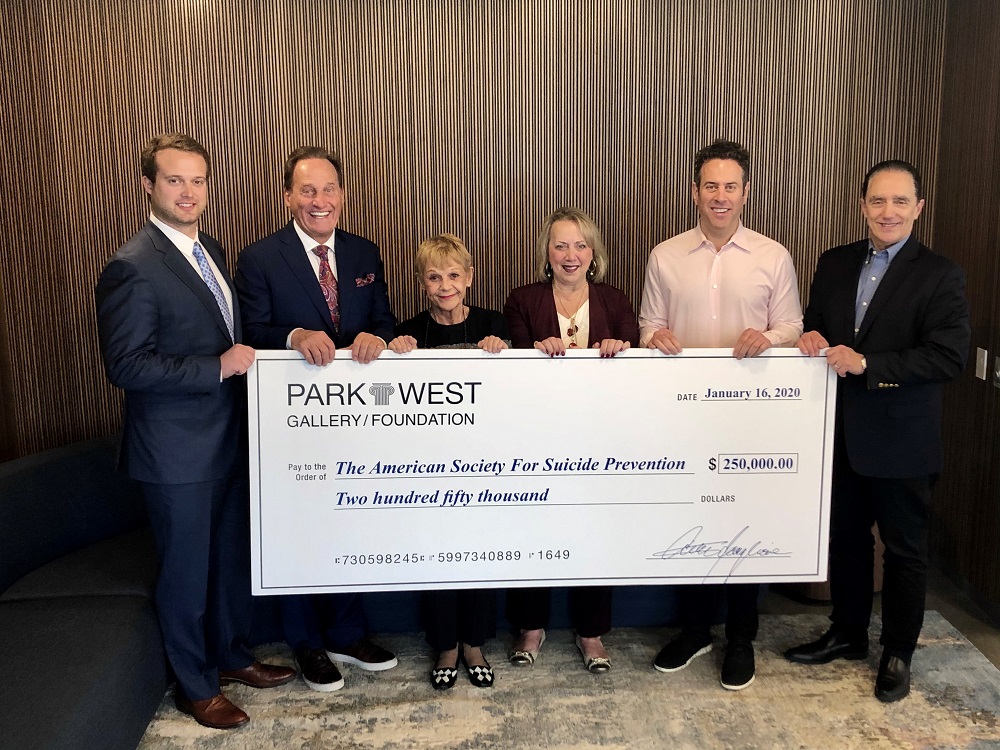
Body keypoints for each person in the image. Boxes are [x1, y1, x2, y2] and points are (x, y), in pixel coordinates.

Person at [94, 134, 296, 730]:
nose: (188, 192)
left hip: (229, 441)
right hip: (175, 454)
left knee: (229, 561)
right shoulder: (131, 266)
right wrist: (217, 366)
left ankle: (230, 657)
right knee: (185, 573)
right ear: (149, 186)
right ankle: (194, 685)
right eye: (175, 180)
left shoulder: (209, 249)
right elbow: (125, 365)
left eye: (198, 180)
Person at [784, 160, 970, 702]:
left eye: (899, 202)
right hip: (838, 433)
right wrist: (811, 336)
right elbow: (816, 321)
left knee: (904, 551)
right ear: (862, 205)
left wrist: (869, 365)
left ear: (918, 208)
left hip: (903, 440)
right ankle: (847, 634)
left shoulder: (940, 274)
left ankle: (898, 652)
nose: (887, 212)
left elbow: (947, 356)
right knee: (845, 542)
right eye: (877, 201)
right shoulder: (835, 262)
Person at [639, 138, 803, 691]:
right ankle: (696, 630)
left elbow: (793, 329)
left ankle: (741, 637)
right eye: (710, 185)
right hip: (682, 418)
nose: (720, 196)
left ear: (746, 192)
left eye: (731, 186)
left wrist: (770, 336)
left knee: (742, 527)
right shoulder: (664, 255)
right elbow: (646, 326)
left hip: (750, 418)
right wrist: (653, 336)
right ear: (694, 192)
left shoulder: (773, 256)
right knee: (692, 523)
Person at [235, 146, 398, 692]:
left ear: (343, 196)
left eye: (328, 190)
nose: (319, 200)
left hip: (356, 422)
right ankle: (306, 643)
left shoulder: (364, 251)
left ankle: (346, 634)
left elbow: (382, 318)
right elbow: (249, 332)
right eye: (307, 190)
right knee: (301, 528)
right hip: (292, 427)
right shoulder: (260, 258)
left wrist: (379, 334)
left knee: (349, 521)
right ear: (288, 197)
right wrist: (294, 336)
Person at [502, 206, 639, 673]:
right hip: (535, 439)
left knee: (594, 531)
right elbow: (514, 370)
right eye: (560, 244)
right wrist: (534, 352)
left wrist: (622, 350)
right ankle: (530, 628)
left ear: (593, 252)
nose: (571, 254)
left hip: (600, 441)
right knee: (533, 531)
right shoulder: (521, 301)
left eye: (580, 244)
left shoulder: (617, 302)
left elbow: (636, 372)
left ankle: (591, 633)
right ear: (546, 251)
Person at [389, 232, 508, 689]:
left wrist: (506, 353)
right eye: (434, 276)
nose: (445, 285)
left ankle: (475, 642)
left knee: (478, 551)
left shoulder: (495, 326)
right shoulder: (410, 332)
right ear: (422, 283)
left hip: (486, 465)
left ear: (470, 278)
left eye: (454, 275)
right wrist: (394, 355)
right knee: (435, 554)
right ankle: (446, 645)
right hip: (429, 469)